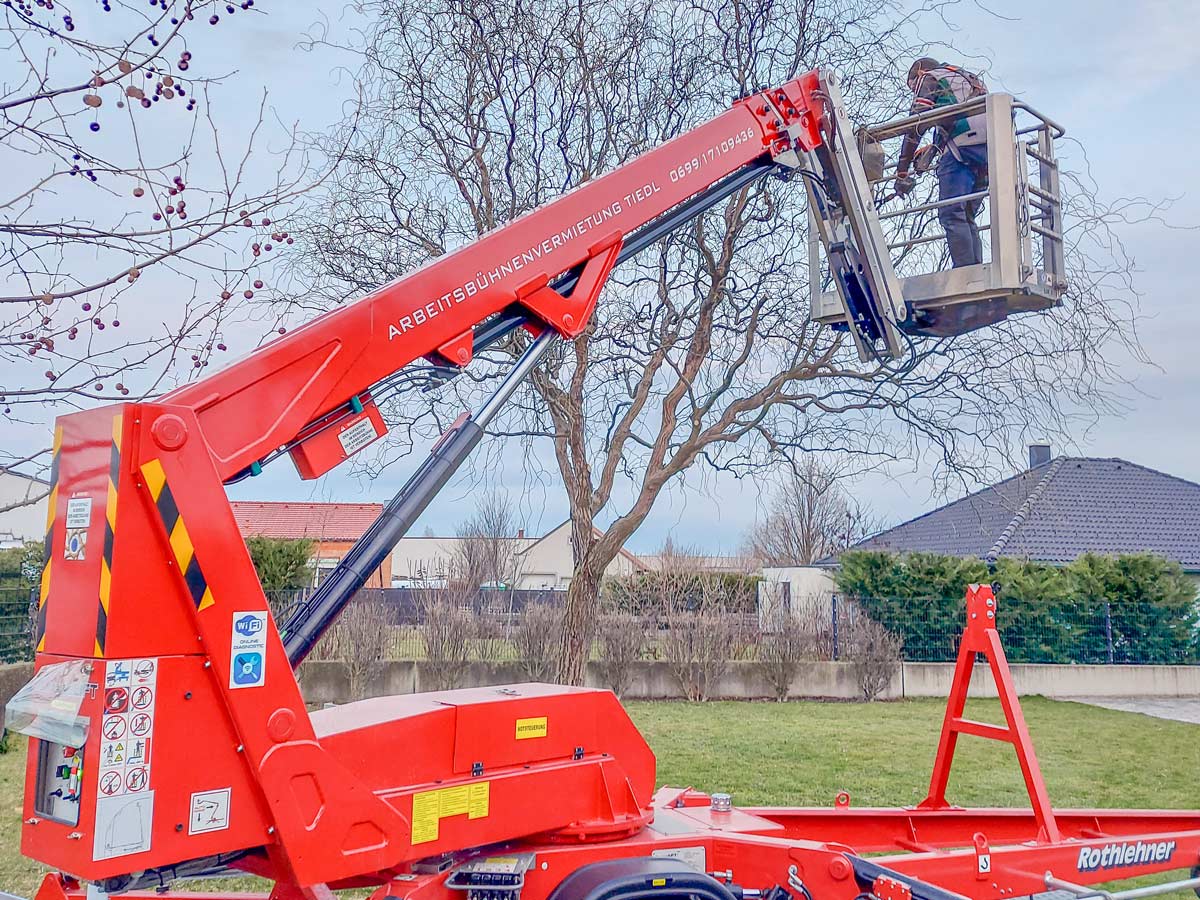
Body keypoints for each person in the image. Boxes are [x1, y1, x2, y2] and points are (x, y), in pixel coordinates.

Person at [894, 58, 989, 268]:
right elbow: (953, 116)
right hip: (989, 152)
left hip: (961, 150)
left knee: (951, 212)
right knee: (966, 215)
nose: (915, 91)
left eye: (912, 87)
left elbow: (916, 123)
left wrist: (902, 170)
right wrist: (933, 150)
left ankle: (965, 273)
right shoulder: (966, 79)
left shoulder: (930, 77)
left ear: (918, 72)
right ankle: (976, 270)